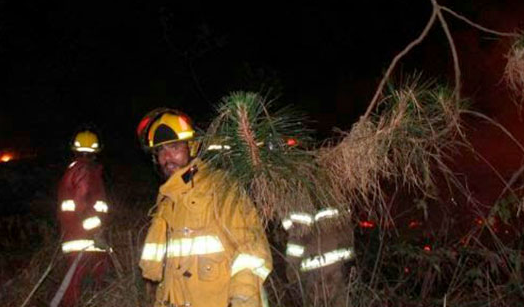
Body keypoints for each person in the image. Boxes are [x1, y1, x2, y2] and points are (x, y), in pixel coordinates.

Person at [136, 109, 272, 307]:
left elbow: (251, 249)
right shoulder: (166, 201)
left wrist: (243, 300)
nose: (167, 157)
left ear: (191, 146)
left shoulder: (221, 187)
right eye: (160, 151)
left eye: (174, 147)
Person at [56, 129, 110, 307]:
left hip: (77, 238)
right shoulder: (85, 171)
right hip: (86, 241)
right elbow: (82, 205)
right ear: (97, 150)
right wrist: (96, 233)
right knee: (84, 288)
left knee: (75, 287)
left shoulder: (74, 169)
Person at [281, 207, 354, 307]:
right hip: (336, 277)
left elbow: (295, 250)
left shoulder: (299, 208)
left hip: (316, 282)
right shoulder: (337, 202)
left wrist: (293, 274)